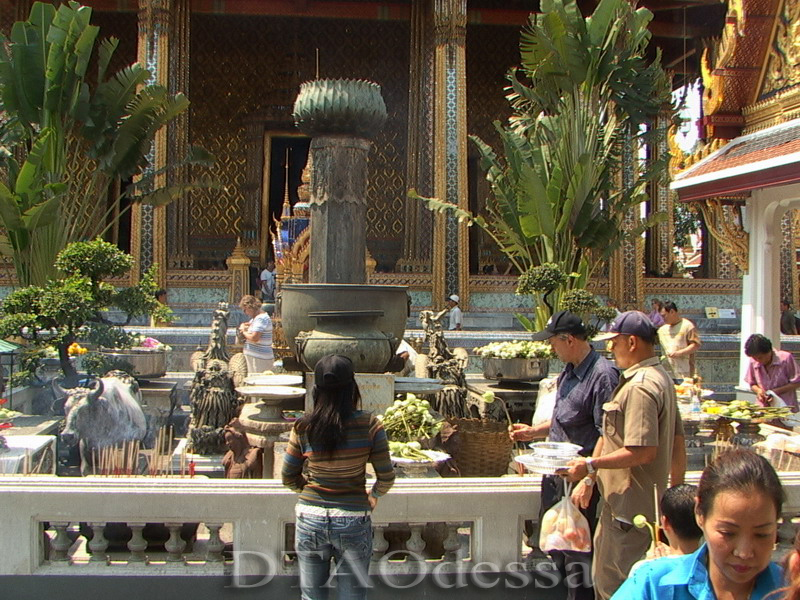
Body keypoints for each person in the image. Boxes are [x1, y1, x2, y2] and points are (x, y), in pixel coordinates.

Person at [561, 310, 686, 600]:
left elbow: (642, 451)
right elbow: (676, 440)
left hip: (628, 513)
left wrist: (590, 463)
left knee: (614, 587)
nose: (610, 349)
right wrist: (674, 495)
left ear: (631, 343)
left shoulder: (641, 386)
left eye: (614, 342)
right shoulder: (659, 378)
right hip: (636, 506)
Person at [509, 310, 619, 600]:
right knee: (557, 552)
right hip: (557, 480)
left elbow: (607, 434)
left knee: (579, 562)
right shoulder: (569, 371)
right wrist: (533, 433)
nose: (551, 348)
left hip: (581, 483)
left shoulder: (602, 376)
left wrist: (590, 477)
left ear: (568, 339)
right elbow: (564, 421)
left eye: (553, 343)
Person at [282, 355, 395, 600]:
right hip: (353, 519)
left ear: (316, 390)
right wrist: (373, 495)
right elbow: (386, 477)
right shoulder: (370, 425)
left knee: (312, 596)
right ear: (353, 389)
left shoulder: (303, 427)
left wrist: (312, 491)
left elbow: (288, 477)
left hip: (311, 518)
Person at [611, 448, 784, 599]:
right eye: (728, 533)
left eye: (761, 535)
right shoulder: (654, 584)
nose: (744, 552)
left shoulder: (790, 590)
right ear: (700, 514)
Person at [628, 483, 703, 575]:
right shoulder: (716, 566)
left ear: (664, 522)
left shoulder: (642, 570)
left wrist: (649, 564)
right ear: (702, 520)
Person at [744, 333, 800, 412]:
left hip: (784, 409)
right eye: (754, 358)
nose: (758, 360)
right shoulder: (753, 361)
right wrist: (759, 391)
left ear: (769, 351)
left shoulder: (785, 359)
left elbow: (797, 382)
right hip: (763, 408)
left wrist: (775, 392)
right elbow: (752, 383)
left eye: (760, 357)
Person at [658, 301, 702, 378]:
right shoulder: (662, 330)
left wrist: (679, 353)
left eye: (664, 316)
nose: (663, 319)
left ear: (672, 312)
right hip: (667, 372)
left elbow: (695, 345)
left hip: (684, 370)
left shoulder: (687, 326)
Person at [238, 294, 274, 374]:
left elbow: (255, 338)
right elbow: (252, 325)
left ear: (250, 307)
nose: (245, 313)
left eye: (245, 310)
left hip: (258, 359)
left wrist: (244, 332)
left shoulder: (261, 318)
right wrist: (244, 325)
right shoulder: (257, 318)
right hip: (256, 357)